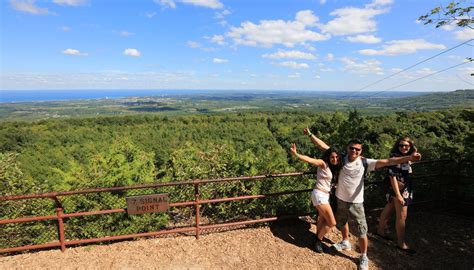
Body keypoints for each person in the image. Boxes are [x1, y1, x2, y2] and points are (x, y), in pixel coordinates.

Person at [304, 128, 421, 270]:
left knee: (361, 230)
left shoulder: (366, 162)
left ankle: (364, 255)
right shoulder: (340, 158)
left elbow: (389, 161)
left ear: (361, 151)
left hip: (357, 202)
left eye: (357, 149)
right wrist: (310, 135)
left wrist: (409, 158)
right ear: (347, 148)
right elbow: (324, 146)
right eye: (352, 148)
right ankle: (345, 241)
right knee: (342, 221)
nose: (354, 151)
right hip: (340, 198)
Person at [290, 143, 341, 253]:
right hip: (319, 195)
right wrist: (296, 154)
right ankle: (318, 240)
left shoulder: (333, 167)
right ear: (328, 157)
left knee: (322, 219)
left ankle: (318, 239)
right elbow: (310, 160)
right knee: (332, 223)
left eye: (337, 157)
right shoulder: (323, 163)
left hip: (325, 195)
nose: (335, 159)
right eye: (332, 157)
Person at [377, 137, 418, 254]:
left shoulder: (408, 157)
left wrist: (413, 152)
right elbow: (392, 176)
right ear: (397, 146)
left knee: (389, 206)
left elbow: (414, 155)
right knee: (402, 216)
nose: (404, 147)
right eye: (401, 145)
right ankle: (401, 243)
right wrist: (398, 195)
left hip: (404, 188)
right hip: (399, 190)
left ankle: (380, 230)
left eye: (406, 146)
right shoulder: (395, 158)